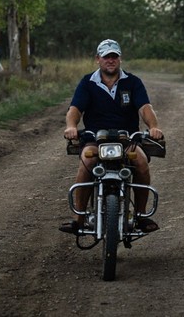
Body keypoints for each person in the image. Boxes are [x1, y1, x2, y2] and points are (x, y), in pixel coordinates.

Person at [59, 38, 163, 234]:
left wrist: (154, 126)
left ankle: (141, 216)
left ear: (120, 59)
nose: (110, 60)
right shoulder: (87, 83)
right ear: (98, 59)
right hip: (95, 139)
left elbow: (145, 108)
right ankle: (79, 218)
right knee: (86, 162)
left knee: (141, 162)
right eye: (106, 56)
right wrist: (71, 126)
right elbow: (75, 109)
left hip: (127, 139)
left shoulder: (133, 82)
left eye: (114, 56)